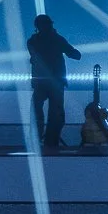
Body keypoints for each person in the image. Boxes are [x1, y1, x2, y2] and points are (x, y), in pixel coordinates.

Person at [27, 13, 80, 148]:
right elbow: (74, 54)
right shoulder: (57, 39)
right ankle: (51, 141)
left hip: (41, 81)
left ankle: (37, 139)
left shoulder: (33, 41)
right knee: (56, 114)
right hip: (55, 82)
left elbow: (34, 57)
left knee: (37, 109)